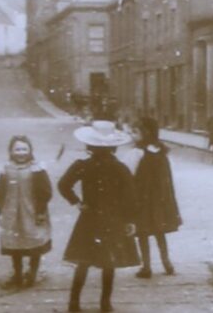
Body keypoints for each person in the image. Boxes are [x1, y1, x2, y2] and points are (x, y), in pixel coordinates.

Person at [58, 121, 140, 313]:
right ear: (113, 146)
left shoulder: (83, 165)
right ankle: (105, 303)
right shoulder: (120, 168)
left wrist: (77, 202)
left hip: (89, 218)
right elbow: (131, 197)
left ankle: (74, 302)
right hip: (114, 219)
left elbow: (63, 185)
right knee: (108, 262)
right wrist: (130, 220)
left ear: (90, 145)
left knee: (83, 261)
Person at [0, 135, 53, 289]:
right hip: (12, 214)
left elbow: (45, 192)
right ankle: (18, 275)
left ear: (30, 151)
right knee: (15, 244)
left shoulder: (37, 169)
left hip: (32, 213)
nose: (21, 153)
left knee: (34, 242)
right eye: (17, 149)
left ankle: (32, 273)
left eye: (24, 149)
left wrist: (40, 212)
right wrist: (1, 212)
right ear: (11, 152)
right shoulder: (6, 169)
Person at [132, 119, 182, 278]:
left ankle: (146, 267)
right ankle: (167, 263)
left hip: (142, 198)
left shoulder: (139, 152)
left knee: (142, 232)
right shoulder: (160, 151)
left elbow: (131, 174)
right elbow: (166, 178)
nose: (132, 135)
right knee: (159, 231)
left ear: (145, 133)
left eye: (135, 132)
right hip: (159, 198)